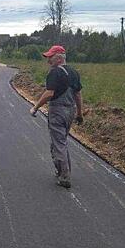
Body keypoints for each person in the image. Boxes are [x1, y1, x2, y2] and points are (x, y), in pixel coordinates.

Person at [29, 45, 83, 188]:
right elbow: (78, 94)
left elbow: (49, 93)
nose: (48, 61)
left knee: (58, 143)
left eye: (50, 58)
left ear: (59, 58)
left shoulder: (55, 73)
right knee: (61, 141)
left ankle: (64, 176)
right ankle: (62, 170)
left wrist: (35, 107)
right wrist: (79, 113)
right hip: (70, 111)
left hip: (58, 111)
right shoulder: (74, 73)